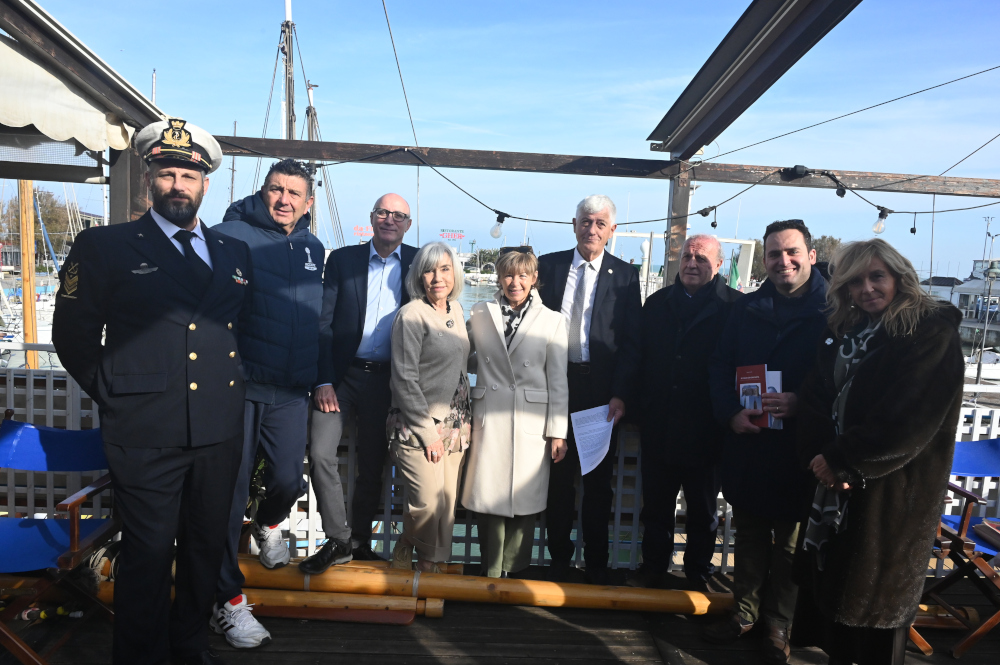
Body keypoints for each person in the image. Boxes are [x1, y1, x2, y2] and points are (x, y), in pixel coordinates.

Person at [53, 119, 250, 665]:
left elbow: (243, 332)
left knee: (206, 548)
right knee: (147, 552)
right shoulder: (104, 246)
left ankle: (189, 647)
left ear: (206, 184)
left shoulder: (233, 253)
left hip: (217, 428)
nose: (179, 184)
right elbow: (71, 335)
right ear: (149, 179)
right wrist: (115, 392)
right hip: (144, 430)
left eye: (190, 174)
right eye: (168, 173)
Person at [792, 239, 964, 665]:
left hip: (894, 495)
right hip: (835, 489)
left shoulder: (930, 332)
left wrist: (842, 459)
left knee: (877, 624)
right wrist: (821, 459)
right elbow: (815, 397)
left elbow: (908, 418)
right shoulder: (843, 330)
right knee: (837, 619)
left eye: (876, 277)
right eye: (855, 281)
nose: (866, 288)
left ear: (898, 277)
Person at [209, 159, 324, 648]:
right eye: (276, 190)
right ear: (264, 192)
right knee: (226, 497)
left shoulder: (313, 247)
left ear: (308, 202)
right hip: (240, 388)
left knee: (286, 479)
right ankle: (228, 602)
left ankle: (270, 522)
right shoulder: (229, 235)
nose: (284, 200)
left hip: (291, 390)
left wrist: (322, 378)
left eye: (294, 193)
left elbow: (319, 318)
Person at [705, 220, 828, 664]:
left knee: (792, 545)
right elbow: (720, 365)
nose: (783, 261)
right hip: (751, 442)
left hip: (802, 450)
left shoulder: (836, 309)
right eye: (774, 254)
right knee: (751, 536)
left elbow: (845, 382)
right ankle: (744, 614)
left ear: (811, 255)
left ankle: (779, 626)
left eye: (792, 252)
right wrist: (729, 413)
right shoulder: (746, 307)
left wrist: (803, 404)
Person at [299, 194, 418, 573]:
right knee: (320, 453)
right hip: (340, 376)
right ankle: (337, 538)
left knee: (373, 465)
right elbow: (322, 323)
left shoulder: (418, 263)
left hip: (388, 382)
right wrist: (323, 379)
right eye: (383, 212)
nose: (390, 219)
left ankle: (360, 541)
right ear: (372, 218)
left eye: (398, 215)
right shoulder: (344, 260)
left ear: (407, 225)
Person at [537, 194, 641, 585]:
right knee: (558, 481)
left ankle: (597, 563)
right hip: (555, 387)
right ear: (574, 224)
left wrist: (621, 393)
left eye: (600, 223)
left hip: (602, 395)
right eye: (585, 221)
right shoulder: (549, 267)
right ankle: (560, 558)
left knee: (597, 483)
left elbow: (632, 344)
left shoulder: (626, 276)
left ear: (611, 230)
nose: (591, 229)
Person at [630, 235, 741, 591]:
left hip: (708, 429)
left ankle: (697, 573)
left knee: (704, 513)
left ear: (719, 265)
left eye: (702, 258)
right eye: (687, 256)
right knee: (656, 510)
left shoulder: (735, 308)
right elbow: (639, 360)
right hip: (660, 423)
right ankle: (653, 569)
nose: (692, 263)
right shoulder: (657, 303)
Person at [463, 249, 569, 578]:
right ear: (499, 277)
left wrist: (558, 432)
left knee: (525, 499)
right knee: (487, 495)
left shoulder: (552, 320)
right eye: (509, 274)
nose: (515, 282)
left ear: (534, 279)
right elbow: (462, 356)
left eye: (523, 275)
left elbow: (557, 380)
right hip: (489, 414)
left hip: (531, 420)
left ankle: (516, 570)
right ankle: (491, 569)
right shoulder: (480, 312)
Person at [387, 242, 470, 573]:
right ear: (419, 276)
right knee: (427, 505)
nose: (438, 277)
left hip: (455, 424)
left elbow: (463, 360)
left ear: (455, 273)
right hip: (416, 427)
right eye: (430, 269)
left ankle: (433, 567)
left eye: (445, 269)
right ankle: (413, 547)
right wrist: (427, 433)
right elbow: (404, 380)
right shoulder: (411, 315)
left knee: (447, 505)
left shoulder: (457, 310)